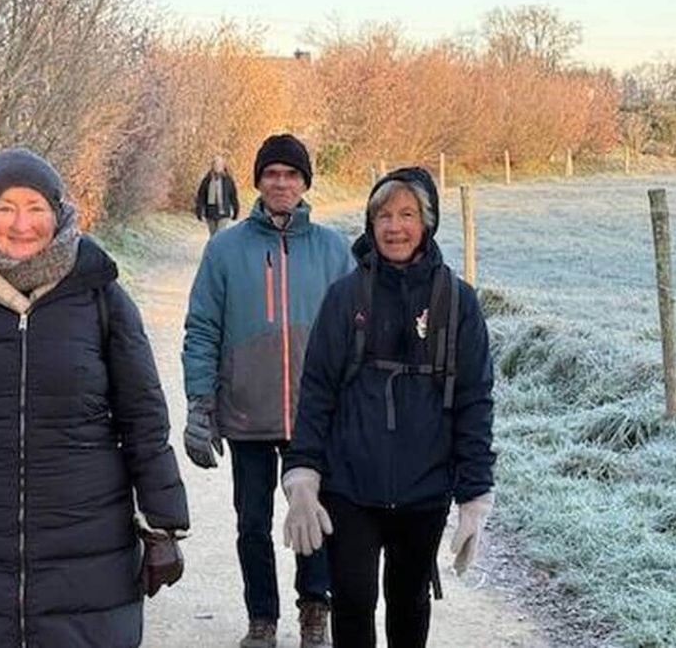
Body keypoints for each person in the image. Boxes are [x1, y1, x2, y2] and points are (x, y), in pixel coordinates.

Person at [0, 148, 190, 648]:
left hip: (89, 549)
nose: (21, 224)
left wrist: (162, 527)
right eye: (6, 208)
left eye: (35, 208)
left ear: (57, 212)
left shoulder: (102, 298)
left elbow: (145, 422)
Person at [281, 167, 496, 648]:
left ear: (427, 223)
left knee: (410, 602)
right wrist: (302, 474)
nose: (394, 227)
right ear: (370, 223)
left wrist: (475, 495)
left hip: (426, 489)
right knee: (353, 601)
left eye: (407, 215)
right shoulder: (345, 297)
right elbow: (316, 391)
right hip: (349, 487)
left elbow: (475, 401)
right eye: (384, 216)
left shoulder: (457, 302)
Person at [182, 134, 352, 648]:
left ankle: (315, 608)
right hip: (247, 411)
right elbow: (202, 327)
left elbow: (356, 330)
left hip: (314, 416)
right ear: (257, 181)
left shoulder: (332, 249)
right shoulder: (225, 249)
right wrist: (200, 403)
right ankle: (262, 617)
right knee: (252, 522)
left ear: (305, 183)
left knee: (313, 516)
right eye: (272, 174)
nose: (281, 183)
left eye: (291, 174)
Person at [195, 155, 240, 236]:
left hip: (223, 213)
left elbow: (233, 196)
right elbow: (201, 197)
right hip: (210, 213)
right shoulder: (207, 180)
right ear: (212, 166)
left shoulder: (228, 180)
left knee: (219, 235)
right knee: (213, 236)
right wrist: (199, 211)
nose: (217, 166)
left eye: (219, 164)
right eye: (215, 164)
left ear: (223, 166)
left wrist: (236, 210)